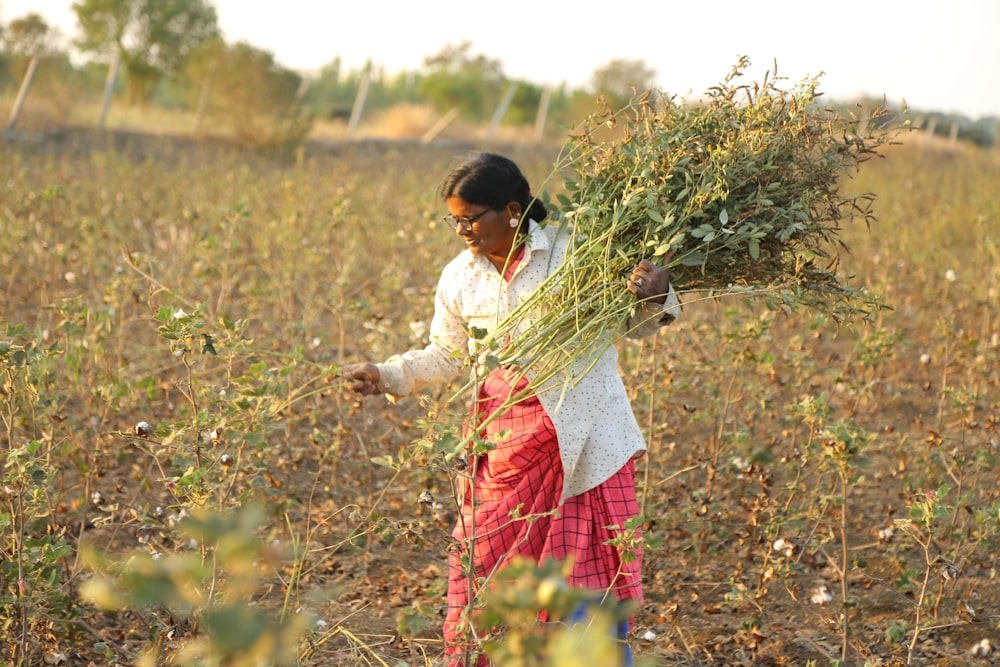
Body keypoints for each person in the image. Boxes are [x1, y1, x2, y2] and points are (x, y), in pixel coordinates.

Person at [341, 152, 680, 666]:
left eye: (472, 217)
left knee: (587, 586)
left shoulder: (579, 256)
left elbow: (634, 326)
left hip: (586, 444)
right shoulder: (460, 277)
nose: (462, 230)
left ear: (514, 210)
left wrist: (657, 296)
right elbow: (447, 354)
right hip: (501, 450)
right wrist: (386, 374)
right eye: (454, 219)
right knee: (486, 578)